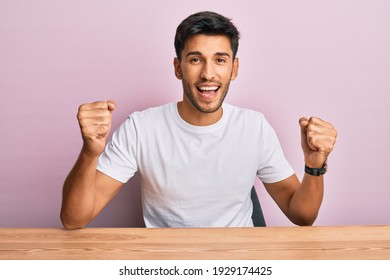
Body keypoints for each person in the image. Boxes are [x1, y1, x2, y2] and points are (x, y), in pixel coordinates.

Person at [60, 11, 337, 229]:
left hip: (241, 262)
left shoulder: (254, 127)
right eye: (195, 60)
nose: (208, 74)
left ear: (234, 68)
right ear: (178, 68)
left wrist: (314, 166)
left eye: (220, 60)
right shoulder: (141, 128)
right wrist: (90, 152)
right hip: (167, 263)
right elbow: (74, 219)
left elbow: (301, 215)